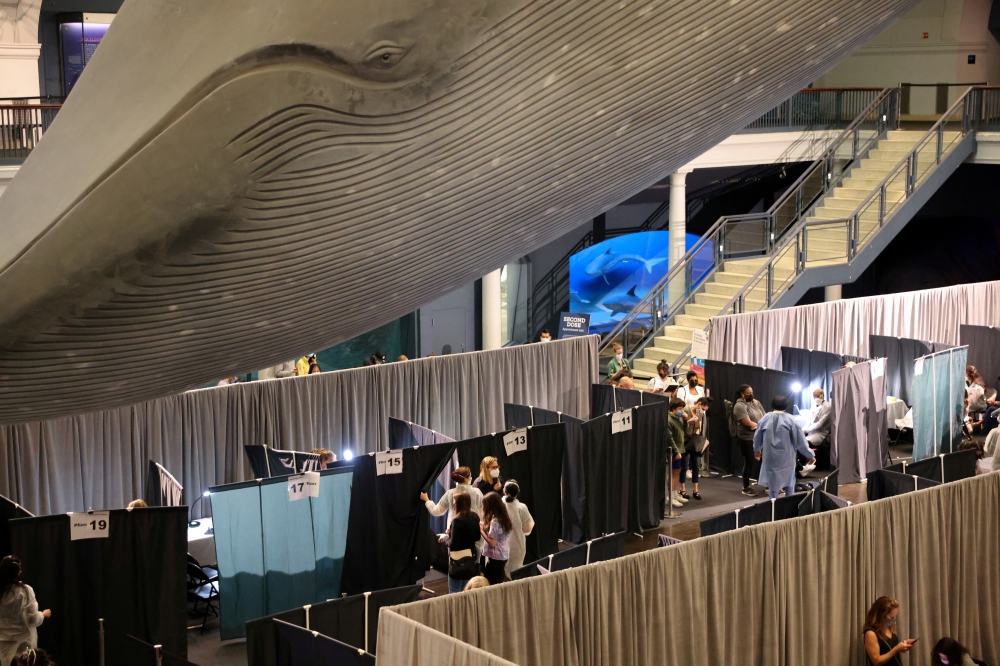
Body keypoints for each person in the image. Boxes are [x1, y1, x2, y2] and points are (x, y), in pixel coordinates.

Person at [753, 395, 816, 499]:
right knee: (789, 484)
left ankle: (772, 508)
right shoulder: (791, 420)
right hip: (787, 458)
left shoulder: (765, 419)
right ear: (786, 405)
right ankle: (789, 507)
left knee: (772, 487)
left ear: (772, 405)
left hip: (770, 457)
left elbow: (757, 437)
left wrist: (757, 450)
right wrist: (810, 454)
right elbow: (801, 442)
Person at [0, 556, 50, 665]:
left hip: (3, 646)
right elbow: (33, 619)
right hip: (24, 645)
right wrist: (43, 614)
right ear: (18, 571)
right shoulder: (24, 591)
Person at [439, 490, 481, 594]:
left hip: (457, 563)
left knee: (454, 593)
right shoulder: (475, 516)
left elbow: (454, 545)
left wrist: (446, 538)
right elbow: (477, 537)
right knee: (466, 591)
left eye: (454, 500)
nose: (453, 502)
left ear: (459, 503)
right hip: (470, 560)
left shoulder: (457, 520)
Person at [731, 384, 765, 496]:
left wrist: (763, 426)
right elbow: (748, 423)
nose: (751, 394)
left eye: (752, 392)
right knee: (749, 461)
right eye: (748, 393)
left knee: (765, 459)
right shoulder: (739, 406)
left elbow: (764, 417)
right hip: (747, 438)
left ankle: (767, 484)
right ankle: (745, 487)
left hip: (760, 436)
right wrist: (760, 427)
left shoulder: (756, 402)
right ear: (742, 394)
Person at [863, 596, 916, 666]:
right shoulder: (871, 633)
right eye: (891, 616)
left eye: (895, 616)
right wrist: (897, 649)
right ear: (881, 615)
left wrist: (903, 645)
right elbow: (876, 661)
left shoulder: (889, 627)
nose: (894, 619)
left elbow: (889, 648)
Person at [420, 467, 484, 524]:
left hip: (455, 531)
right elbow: (483, 512)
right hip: (475, 531)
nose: (471, 478)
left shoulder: (450, 493)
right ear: (466, 479)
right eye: (470, 476)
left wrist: (427, 500)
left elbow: (437, 511)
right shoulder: (477, 492)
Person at [679, 396, 712, 500]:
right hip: (684, 440)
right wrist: (690, 421)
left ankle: (695, 489)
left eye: (705, 410)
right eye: (703, 409)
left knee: (696, 466)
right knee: (684, 465)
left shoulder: (700, 414)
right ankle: (682, 488)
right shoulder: (685, 410)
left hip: (694, 441)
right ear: (699, 404)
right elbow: (681, 426)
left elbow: (699, 428)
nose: (703, 411)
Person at [501, 480, 535, 575]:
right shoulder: (521, 507)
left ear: (504, 490)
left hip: (500, 544)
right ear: (518, 491)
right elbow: (528, 528)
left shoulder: (499, 504)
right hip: (517, 543)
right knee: (515, 571)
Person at [479, 492, 512, 585]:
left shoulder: (495, 522)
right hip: (503, 555)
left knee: (489, 583)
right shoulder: (503, 517)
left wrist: (481, 531)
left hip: (496, 558)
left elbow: (492, 542)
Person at [666, 398, 687, 508]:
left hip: (681, 448)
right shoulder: (669, 420)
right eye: (679, 408)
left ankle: (675, 493)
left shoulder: (679, 418)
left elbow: (685, 431)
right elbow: (669, 438)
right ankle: (670, 496)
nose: (682, 411)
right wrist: (676, 451)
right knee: (673, 472)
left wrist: (686, 420)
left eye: (682, 408)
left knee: (678, 472)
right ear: (673, 408)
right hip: (674, 451)